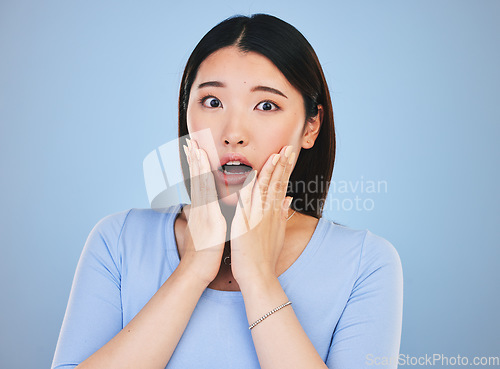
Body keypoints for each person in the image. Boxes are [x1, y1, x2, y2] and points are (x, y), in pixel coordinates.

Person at [51, 13, 403, 369]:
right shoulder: (118, 241)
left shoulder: (366, 263)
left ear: (311, 127)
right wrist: (193, 269)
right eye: (213, 102)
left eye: (266, 105)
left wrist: (258, 277)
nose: (233, 133)